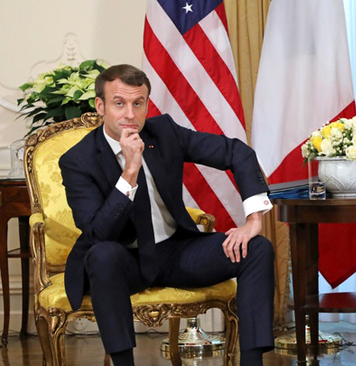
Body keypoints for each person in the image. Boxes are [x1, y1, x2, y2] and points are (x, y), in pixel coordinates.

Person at [59, 64, 275, 366]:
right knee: (102, 254)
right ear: (101, 106)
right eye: (119, 103)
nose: (130, 115)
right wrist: (130, 170)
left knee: (257, 248)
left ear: (147, 103)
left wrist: (253, 220)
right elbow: (98, 233)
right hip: (125, 259)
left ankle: (252, 363)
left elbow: (237, 152)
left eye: (138, 103)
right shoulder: (78, 160)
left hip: (176, 252)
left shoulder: (164, 132)